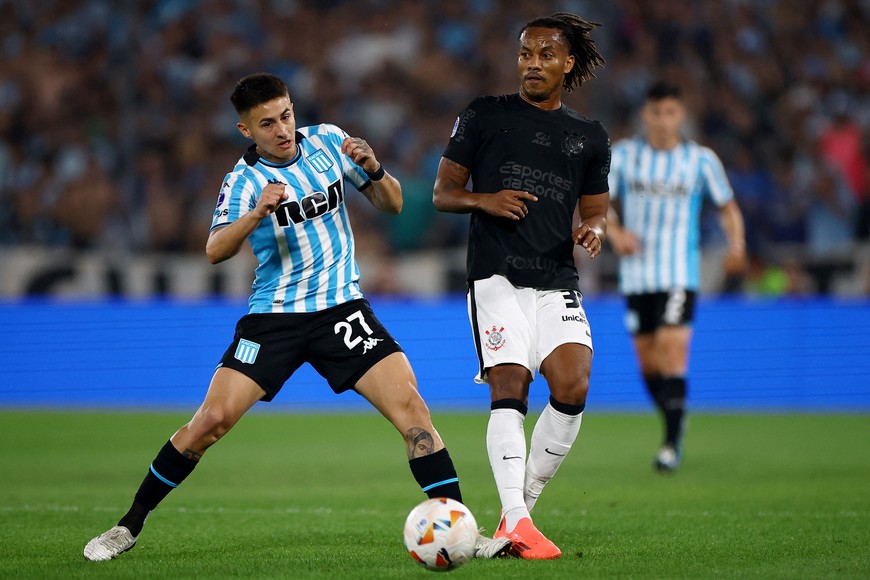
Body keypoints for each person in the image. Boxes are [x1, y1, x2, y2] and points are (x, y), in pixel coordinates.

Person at [83, 73, 510, 561]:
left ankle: (459, 530)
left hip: (342, 310)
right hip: (274, 319)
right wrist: (256, 214)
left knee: (413, 411)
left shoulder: (328, 140)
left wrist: (374, 169)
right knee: (211, 422)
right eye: (267, 123)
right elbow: (214, 250)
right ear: (247, 131)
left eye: (286, 115)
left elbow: (392, 204)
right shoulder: (242, 182)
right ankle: (128, 526)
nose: (283, 129)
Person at [433, 13, 610, 560]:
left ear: (568, 63)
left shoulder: (589, 137)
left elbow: (597, 210)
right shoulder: (485, 116)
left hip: (555, 276)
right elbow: (443, 192)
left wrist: (592, 230)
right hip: (495, 274)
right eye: (525, 54)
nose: (532, 64)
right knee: (510, 381)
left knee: (573, 384)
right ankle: (518, 519)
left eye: (545, 55)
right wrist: (484, 199)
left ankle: (519, 511)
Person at [606, 81, 746, 472]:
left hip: (679, 271)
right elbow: (598, 203)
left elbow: (728, 207)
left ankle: (669, 444)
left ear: (680, 115)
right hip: (635, 274)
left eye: (670, 113)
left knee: (672, 348)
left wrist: (737, 246)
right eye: (656, 113)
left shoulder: (700, 160)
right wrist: (616, 233)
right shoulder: (624, 155)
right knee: (648, 364)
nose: (663, 121)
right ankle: (675, 416)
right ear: (645, 115)